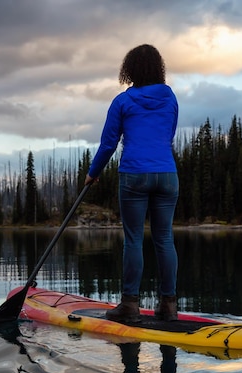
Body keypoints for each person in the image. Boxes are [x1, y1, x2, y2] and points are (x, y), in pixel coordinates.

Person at [84, 44, 179, 322]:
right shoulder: (170, 98)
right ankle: (169, 305)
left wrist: (93, 172)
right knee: (164, 238)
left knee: (134, 239)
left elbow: (108, 143)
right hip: (167, 175)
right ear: (158, 68)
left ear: (130, 69)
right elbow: (169, 135)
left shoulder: (122, 102)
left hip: (135, 175)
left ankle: (129, 304)